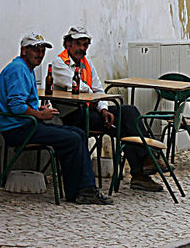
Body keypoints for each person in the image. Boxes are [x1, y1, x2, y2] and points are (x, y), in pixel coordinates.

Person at [0, 30, 113, 205]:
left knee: (78, 134)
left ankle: (80, 190)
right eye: (35, 49)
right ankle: (84, 189)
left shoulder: (25, 68)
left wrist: (37, 110)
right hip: (18, 129)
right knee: (72, 137)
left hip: (27, 124)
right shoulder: (18, 69)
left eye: (42, 50)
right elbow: (16, 106)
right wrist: (39, 114)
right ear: (24, 50)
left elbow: (21, 103)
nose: (39, 54)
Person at [52, 26, 165, 192]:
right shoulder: (59, 63)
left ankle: (145, 163)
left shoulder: (86, 63)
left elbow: (98, 89)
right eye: (79, 44)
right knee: (126, 124)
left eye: (85, 45)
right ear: (68, 45)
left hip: (91, 110)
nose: (82, 49)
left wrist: (103, 109)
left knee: (129, 113)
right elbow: (78, 87)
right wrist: (96, 100)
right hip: (74, 114)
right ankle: (144, 165)